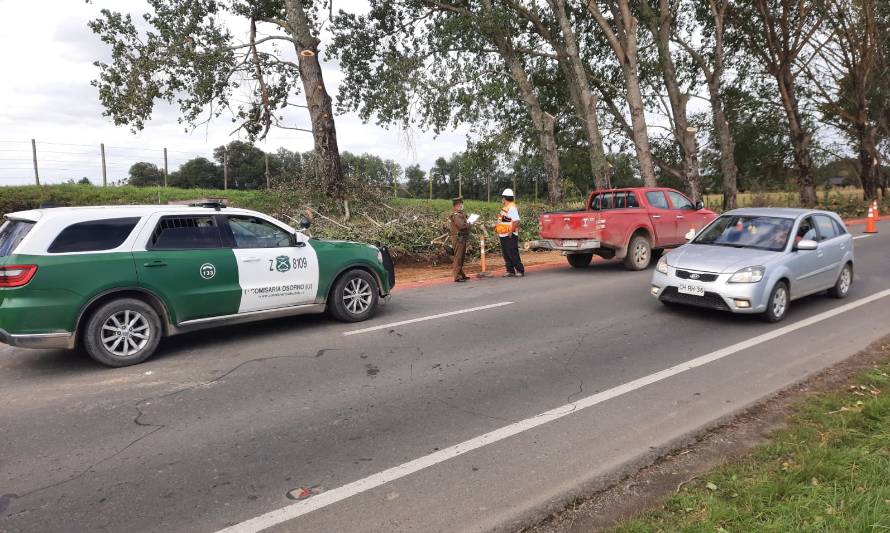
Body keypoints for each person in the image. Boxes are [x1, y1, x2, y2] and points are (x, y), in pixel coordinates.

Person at [495, 188, 525, 277]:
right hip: (504, 234)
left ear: (505, 198)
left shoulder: (512, 208)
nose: (502, 199)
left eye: (502, 197)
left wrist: (511, 232)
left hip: (510, 234)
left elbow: (516, 221)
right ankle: (510, 270)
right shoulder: (506, 208)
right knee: (506, 253)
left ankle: (520, 270)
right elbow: (504, 220)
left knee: (513, 252)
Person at [449, 196, 471, 282]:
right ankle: (457, 276)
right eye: (460, 204)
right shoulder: (456, 215)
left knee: (461, 257)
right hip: (459, 238)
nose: (462, 205)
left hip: (461, 237)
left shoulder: (460, 214)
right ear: (456, 205)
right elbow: (462, 226)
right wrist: (469, 223)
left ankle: (461, 274)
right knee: (458, 257)